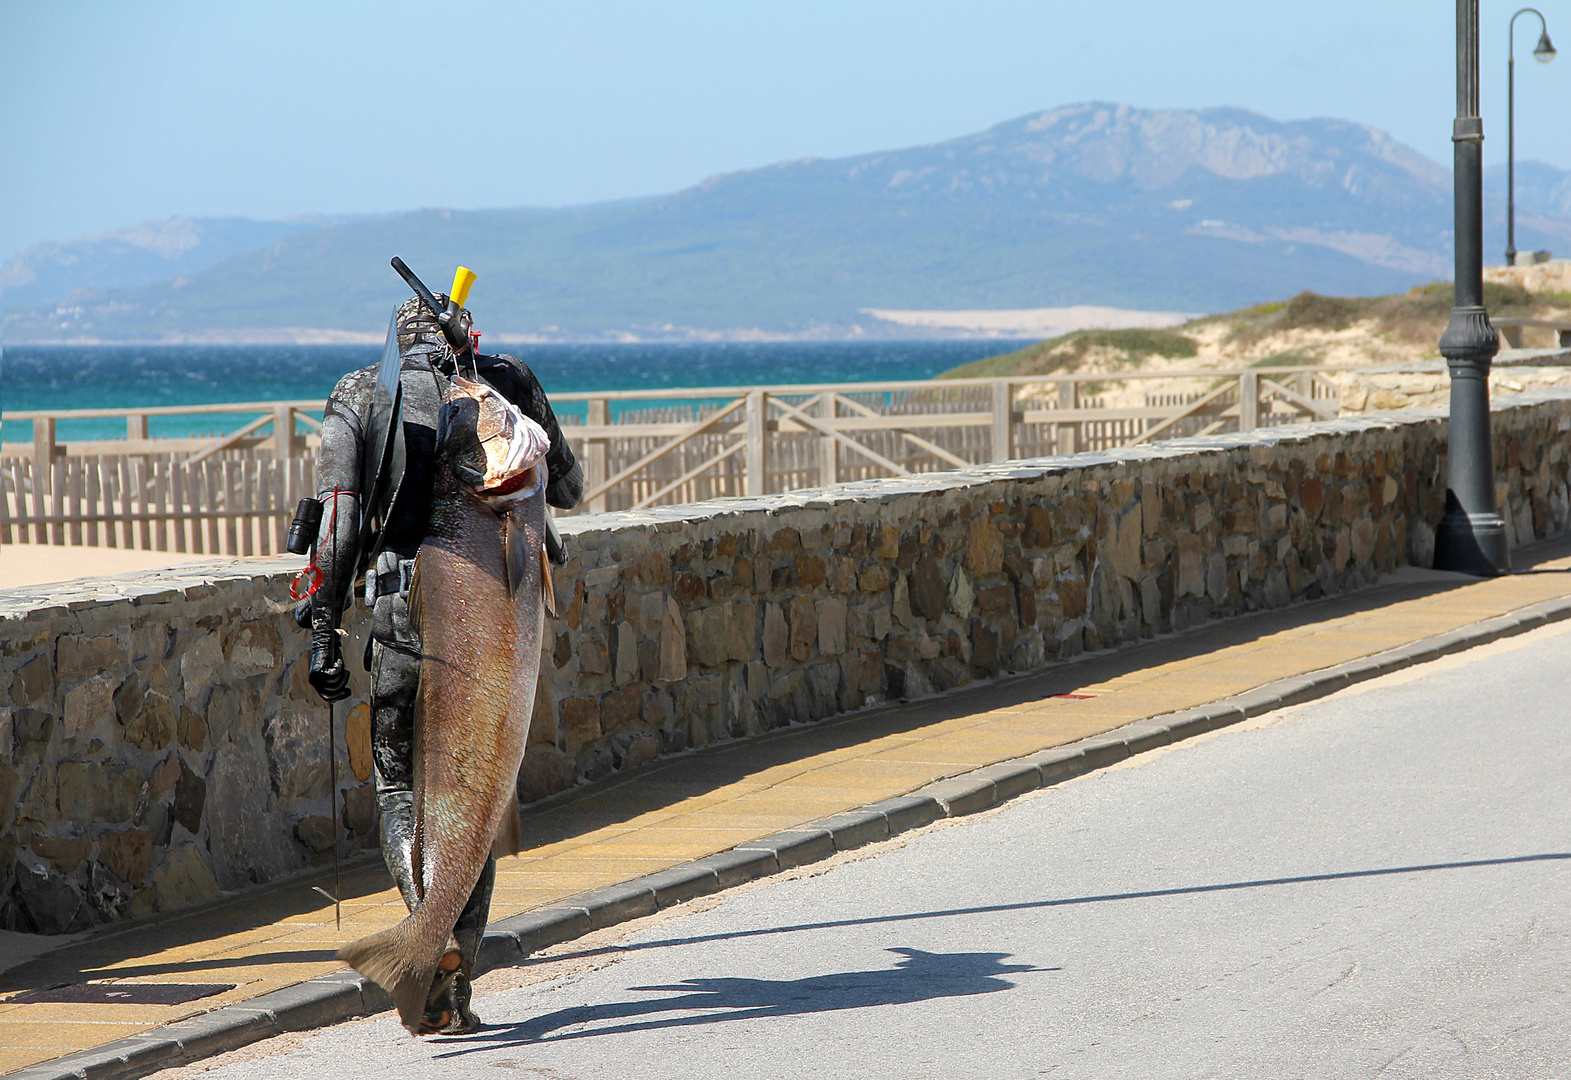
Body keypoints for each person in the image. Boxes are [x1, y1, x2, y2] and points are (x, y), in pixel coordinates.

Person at [300, 290, 582, 1034]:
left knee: (402, 788)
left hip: (396, 615)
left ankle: (426, 945)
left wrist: (324, 629)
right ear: (462, 334)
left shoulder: (360, 394)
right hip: (488, 617)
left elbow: (338, 520)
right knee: (476, 794)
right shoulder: (507, 386)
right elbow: (571, 489)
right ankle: (450, 970)